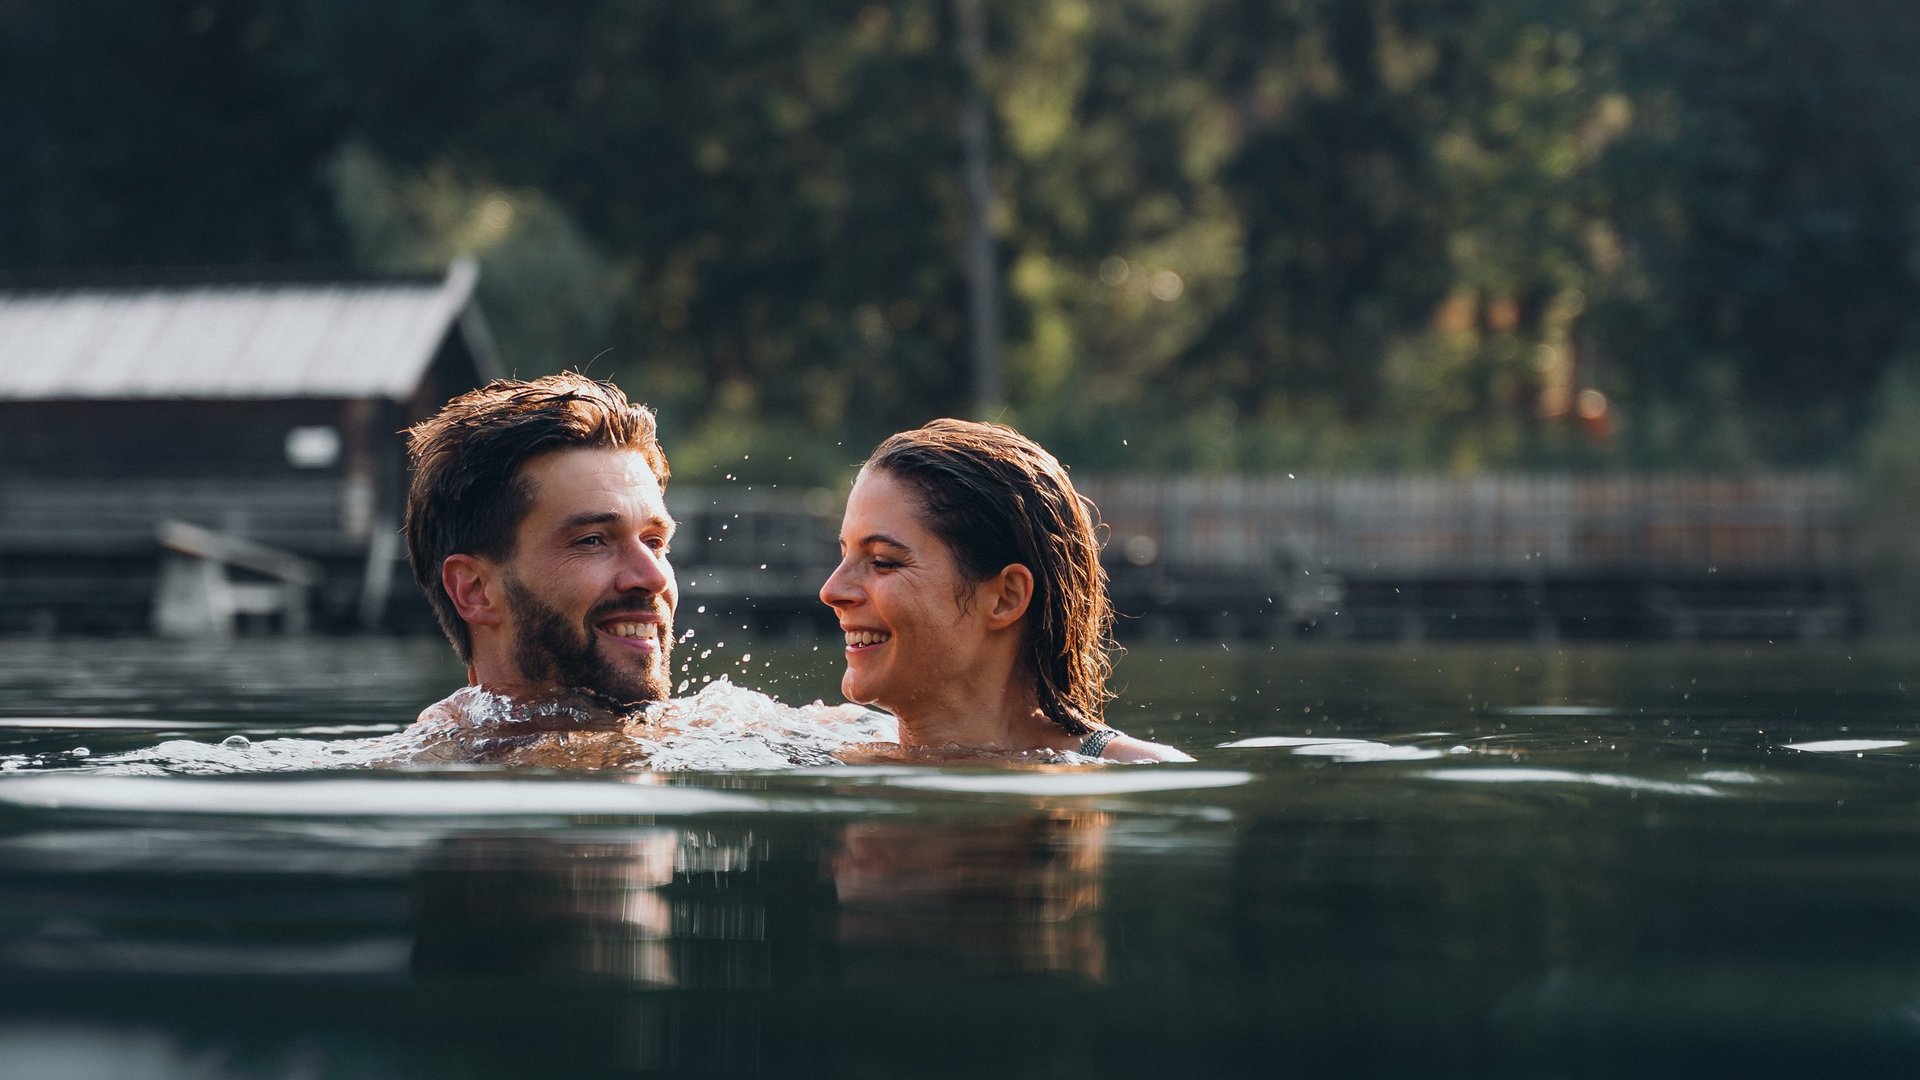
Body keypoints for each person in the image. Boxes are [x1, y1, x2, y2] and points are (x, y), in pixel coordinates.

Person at [819, 419, 1191, 762]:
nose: (831, 591)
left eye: (883, 561)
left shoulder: (1138, 770)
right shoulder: (827, 737)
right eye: (844, 554)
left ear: (1005, 598)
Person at [402, 372, 677, 750]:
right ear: (475, 590)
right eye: (592, 540)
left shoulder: (733, 729)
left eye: (655, 541)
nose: (654, 576)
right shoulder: (425, 777)